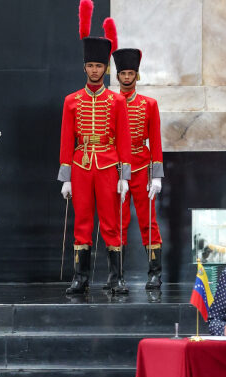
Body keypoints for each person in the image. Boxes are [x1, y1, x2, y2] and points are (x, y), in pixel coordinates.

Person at [58, 6, 131, 295]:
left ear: (105, 69)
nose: (95, 70)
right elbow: (66, 140)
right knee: (83, 222)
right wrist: (65, 177)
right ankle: (81, 278)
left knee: (112, 223)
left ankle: (116, 278)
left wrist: (124, 175)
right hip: (80, 166)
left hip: (108, 164)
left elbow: (124, 140)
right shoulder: (71, 101)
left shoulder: (117, 101)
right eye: (91, 66)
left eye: (99, 66)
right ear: (85, 67)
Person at [111, 47, 165, 290]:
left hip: (142, 167)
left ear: (136, 75)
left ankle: (155, 273)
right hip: (116, 168)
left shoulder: (149, 104)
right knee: (117, 222)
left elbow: (155, 140)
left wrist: (156, 176)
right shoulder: (110, 102)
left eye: (130, 73)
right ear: (118, 75)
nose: (126, 77)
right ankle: (117, 275)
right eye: (122, 73)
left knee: (148, 221)